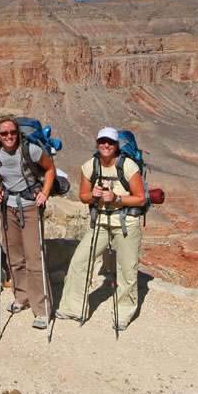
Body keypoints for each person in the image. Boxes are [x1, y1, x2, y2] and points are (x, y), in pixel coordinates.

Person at [55, 127, 146, 331]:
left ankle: (123, 313)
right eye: (102, 141)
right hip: (101, 222)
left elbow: (140, 198)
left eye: (111, 142)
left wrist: (117, 199)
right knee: (80, 261)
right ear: (97, 143)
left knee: (126, 268)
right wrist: (94, 195)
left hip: (126, 223)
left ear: (116, 146)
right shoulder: (90, 166)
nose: (106, 145)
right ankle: (72, 308)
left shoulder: (128, 166)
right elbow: (83, 196)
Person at [0, 115, 56, 330]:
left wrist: (44, 192)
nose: (9, 136)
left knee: (35, 259)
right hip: (8, 207)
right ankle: (21, 297)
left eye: (13, 132)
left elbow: (50, 169)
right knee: (14, 256)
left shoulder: (31, 150)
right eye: (4, 133)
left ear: (18, 133)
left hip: (30, 207)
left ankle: (42, 310)